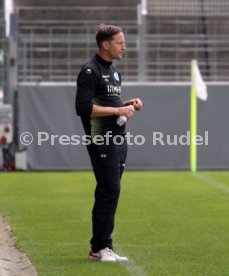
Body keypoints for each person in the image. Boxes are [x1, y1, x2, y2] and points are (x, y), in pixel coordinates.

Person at [75, 24, 142, 262]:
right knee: (110, 190)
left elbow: (108, 103)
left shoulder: (113, 71)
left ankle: (100, 247)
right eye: (120, 42)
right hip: (101, 140)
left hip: (118, 139)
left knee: (108, 191)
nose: (124, 46)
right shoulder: (91, 71)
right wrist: (117, 109)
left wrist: (128, 104)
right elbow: (82, 108)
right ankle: (101, 247)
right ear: (105, 44)